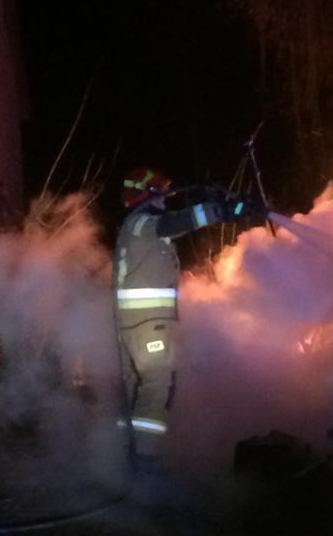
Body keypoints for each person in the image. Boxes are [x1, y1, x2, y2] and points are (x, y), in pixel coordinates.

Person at [114, 166, 262, 468]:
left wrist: (213, 203)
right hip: (147, 324)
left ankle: (126, 459)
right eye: (160, 192)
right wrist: (220, 210)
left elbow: (175, 220)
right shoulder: (141, 222)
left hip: (139, 325)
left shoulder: (138, 226)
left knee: (138, 392)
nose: (166, 198)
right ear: (146, 194)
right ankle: (145, 464)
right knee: (157, 386)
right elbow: (179, 221)